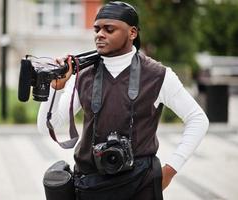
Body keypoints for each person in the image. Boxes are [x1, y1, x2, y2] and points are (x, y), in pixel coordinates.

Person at [37, 1, 209, 199]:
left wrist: (170, 171)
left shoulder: (158, 75)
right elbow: (47, 127)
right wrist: (55, 89)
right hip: (90, 184)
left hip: (141, 184)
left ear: (132, 33)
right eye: (97, 29)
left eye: (109, 29)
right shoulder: (82, 75)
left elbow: (198, 120)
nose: (100, 34)